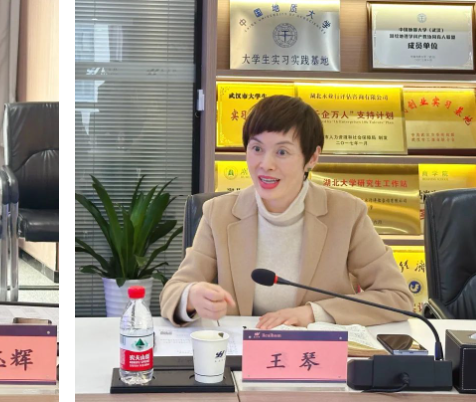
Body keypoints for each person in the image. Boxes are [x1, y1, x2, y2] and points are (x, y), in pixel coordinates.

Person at [159, 95, 412, 328]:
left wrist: (313, 313)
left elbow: (396, 297)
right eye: (256, 148)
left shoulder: (347, 214)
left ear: (312, 158)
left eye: (282, 152)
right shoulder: (219, 213)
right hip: (243, 351)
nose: (265, 164)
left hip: (319, 353)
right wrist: (190, 297)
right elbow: (173, 292)